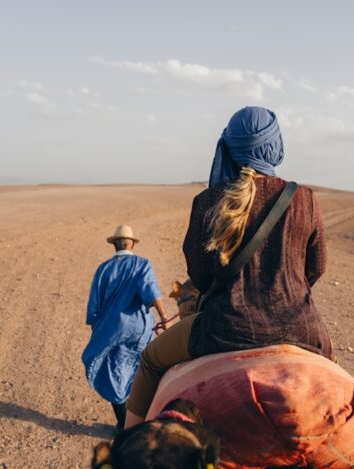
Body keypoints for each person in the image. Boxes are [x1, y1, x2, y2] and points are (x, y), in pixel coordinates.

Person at [124, 106, 333, 428]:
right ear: (275, 146)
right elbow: (315, 268)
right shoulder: (305, 199)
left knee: (151, 361)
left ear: (230, 147)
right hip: (301, 327)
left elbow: (201, 277)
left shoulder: (207, 201)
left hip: (222, 330)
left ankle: (127, 443)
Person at [81, 224, 172, 432]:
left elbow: (93, 305)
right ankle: (142, 420)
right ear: (131, 243)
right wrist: (164, 317)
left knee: (114, 373)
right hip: (140, 329)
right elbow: (151, 293)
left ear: (114, 245)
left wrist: (97, 329)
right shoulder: (142, 264)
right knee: (142, 370)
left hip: (111, 330)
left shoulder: (103, 269)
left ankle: (124, 422)